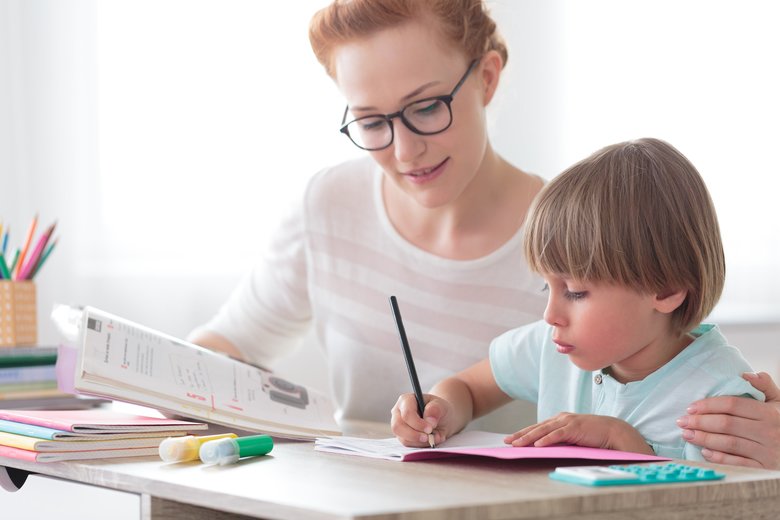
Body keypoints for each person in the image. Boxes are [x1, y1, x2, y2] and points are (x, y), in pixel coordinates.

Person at [188, 0, 548, 428]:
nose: (404, 151)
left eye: (428, 107)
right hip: (349, 494)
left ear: (486, 79)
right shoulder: (330, 205)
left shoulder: (570, 238)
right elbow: (230, 343)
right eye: (373, 122)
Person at [391, 138, 764, 461]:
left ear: (665, 289)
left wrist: (627, 445)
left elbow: (719, 504)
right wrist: (439, 412)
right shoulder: (552, 347)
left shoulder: (723, 401)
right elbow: (467, 389)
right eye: (546, 287)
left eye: (575, 292)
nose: (551, 314)